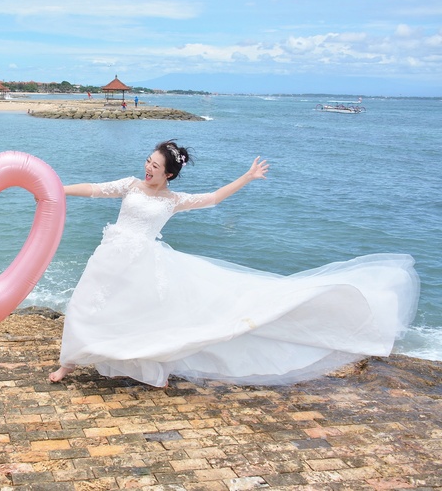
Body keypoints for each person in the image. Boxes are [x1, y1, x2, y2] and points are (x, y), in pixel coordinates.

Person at [49, 140, 419, 387]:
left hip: (144, 262)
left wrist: (247, 176)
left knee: (136, 314)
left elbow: (213, 198)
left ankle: (135, 359)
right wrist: (57, 188)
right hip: (110, 254)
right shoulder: (130, 185)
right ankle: (68, 363)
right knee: (86, 303)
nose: (148, 168)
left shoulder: (173, 200)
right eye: (148, 161)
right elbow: (94, 188)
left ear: (169, 174)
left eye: (155, 166)